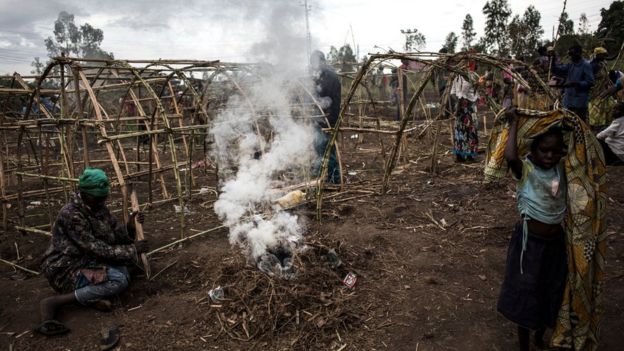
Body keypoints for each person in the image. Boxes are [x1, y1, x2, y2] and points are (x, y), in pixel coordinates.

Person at [36, 168, 148, 336]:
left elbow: (113, 234)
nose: (102, 202)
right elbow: (97, 249)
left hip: (88, 260)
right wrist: (132, 250)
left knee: (126, 266)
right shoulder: (72, 215)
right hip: (65, 269)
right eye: (98, 198)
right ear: (84, 193)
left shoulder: (97, 207)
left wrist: (130, 226)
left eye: (104, 197)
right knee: (120, 280)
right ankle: (54, 303)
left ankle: (91, 298)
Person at [497, 108, 568, 351]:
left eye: (555, 151)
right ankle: (525, 345)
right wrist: (514, 123)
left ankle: (540, 337)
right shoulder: (525, 170)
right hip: (530, 244)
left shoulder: (564, 169)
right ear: (532, 150)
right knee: (526, 294)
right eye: (544, 150)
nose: (549, 155)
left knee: (550, 289)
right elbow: (510, 157)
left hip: (556, 242)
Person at [310, 50, 341, 184]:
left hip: (328, 118)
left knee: (328, 148)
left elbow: (324, 97)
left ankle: (334, 178)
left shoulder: (327, 75)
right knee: (320, 147)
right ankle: (322, 173)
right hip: (322, 118)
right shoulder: (323, 74)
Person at [550, 44, 595, 121]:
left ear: (578, 53)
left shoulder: (586, 65)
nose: (571, 57)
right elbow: (557, 70)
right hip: (568, 100)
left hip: (580, 101)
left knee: (579, 122)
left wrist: (577, 83)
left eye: (572, 54)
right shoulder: (571, 64)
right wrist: (553, 58)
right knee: (567, 122)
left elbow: (591, 82)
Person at [450, 61, 480, 162]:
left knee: (464, 131)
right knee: (466, 131)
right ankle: (465, 156)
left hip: (465, 108)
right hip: (465, 108)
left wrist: (457, 105)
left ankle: (464, 156)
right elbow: (457, 94)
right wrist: (458, 104)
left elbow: (455, 93)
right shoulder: (462, 77)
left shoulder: (466, 76)